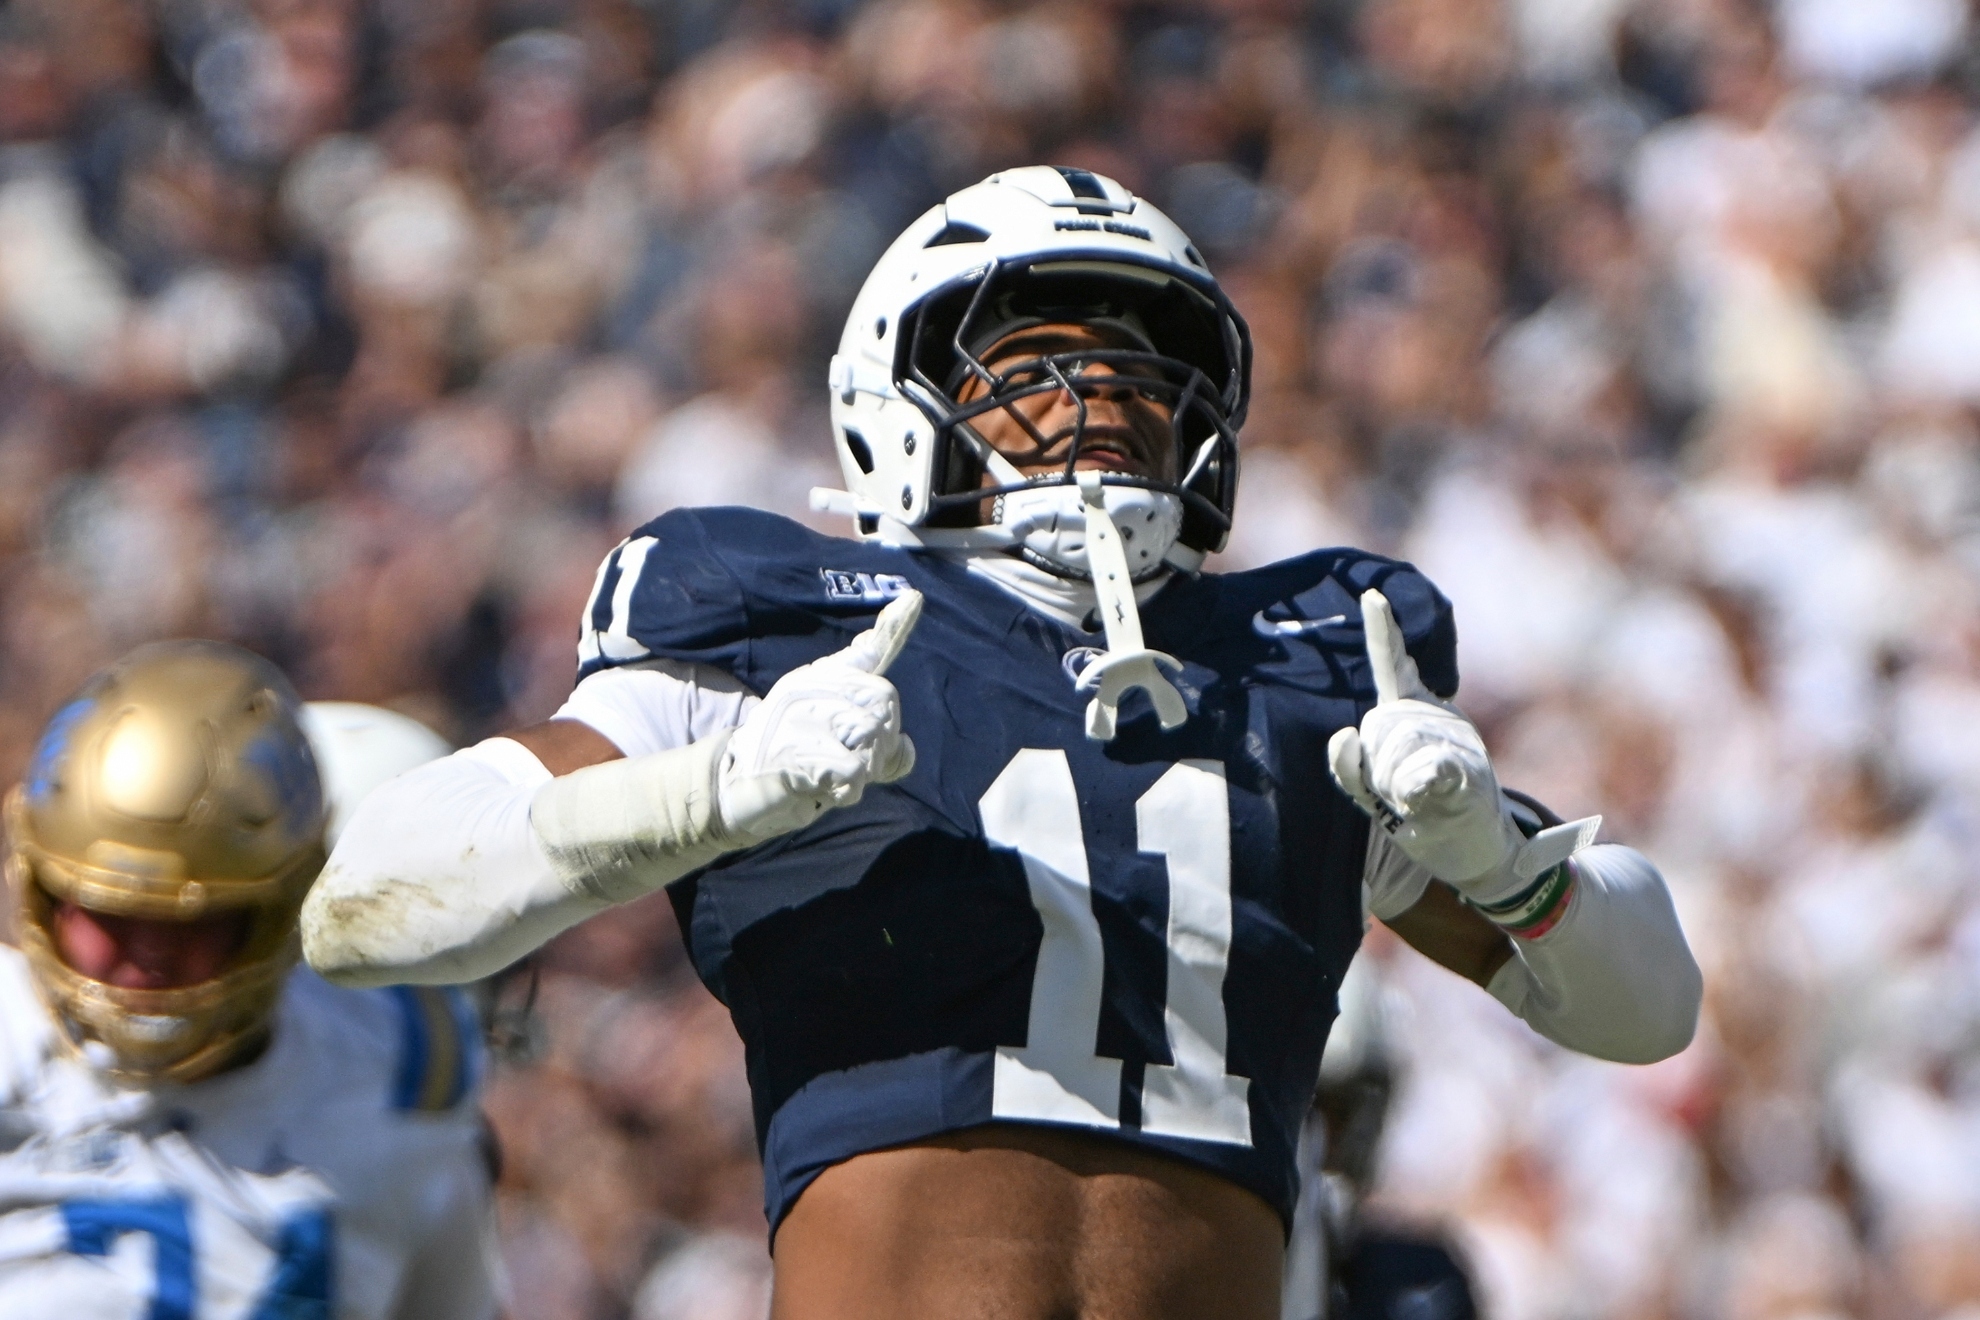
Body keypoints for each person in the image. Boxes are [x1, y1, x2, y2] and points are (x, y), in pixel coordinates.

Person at [304, 166, 1702, 1320]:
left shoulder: (1313, 671)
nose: (1097, 403)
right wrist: (721, 787)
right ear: (898, 404)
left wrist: (1494, 854)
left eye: (1140, 375)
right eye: (1031, 368)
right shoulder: (795, 632)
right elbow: (367, 906)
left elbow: (1651, 1013)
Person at [0, 641, 498, 1319]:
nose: (146, 958)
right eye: (109, 912)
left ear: (280, 905)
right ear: (46, 892)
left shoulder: (402, 1061)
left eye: (195, 921)